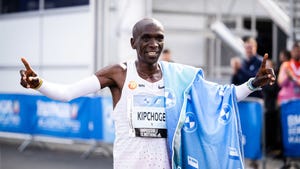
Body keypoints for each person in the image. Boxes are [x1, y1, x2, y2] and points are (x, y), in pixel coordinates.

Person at [20, 18, 275, 169]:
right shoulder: (118, 74)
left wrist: (254, 83)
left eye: (159, 38)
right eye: (146, 38)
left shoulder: (178, 77)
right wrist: (38, 82)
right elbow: (67, 93)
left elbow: (221, 97)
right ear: (133, 43)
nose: (153, 43)